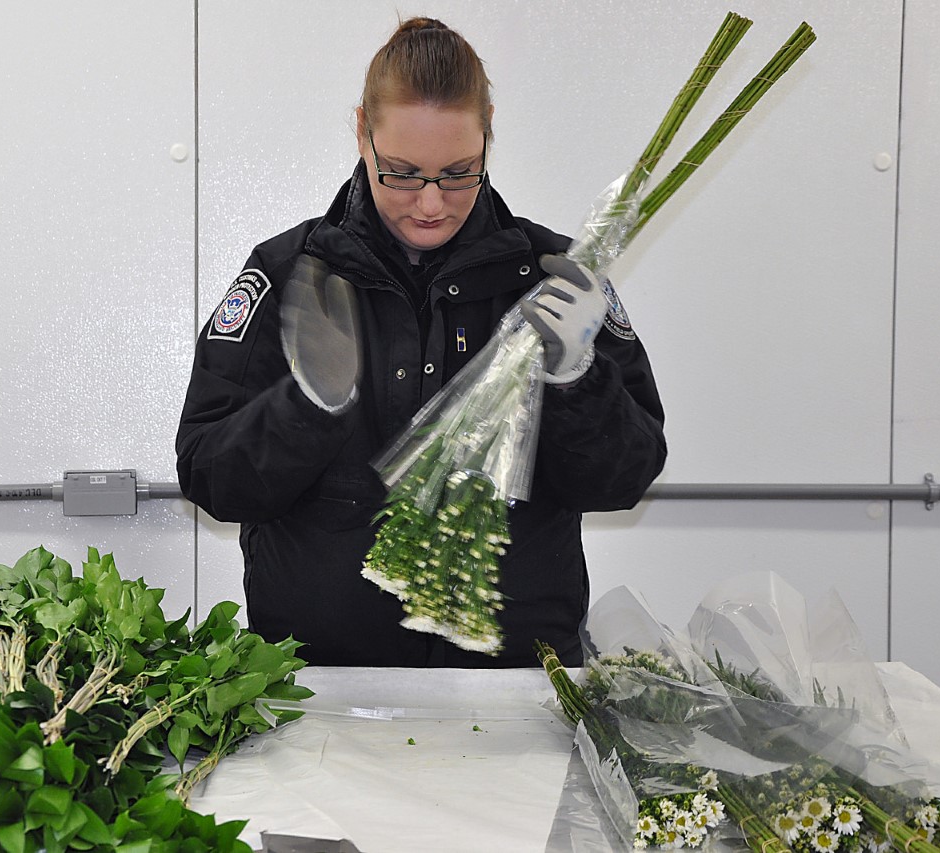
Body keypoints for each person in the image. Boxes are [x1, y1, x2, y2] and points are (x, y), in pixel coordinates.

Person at [176, 17, 666, 668]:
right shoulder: (292, 274)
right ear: (362, 132)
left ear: (489, 128)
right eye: (402, 173)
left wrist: (578, 377)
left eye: (459, 172)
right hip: (320, 694)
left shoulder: (554, 277)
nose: (431, 203)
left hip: (517, 694)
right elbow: (212, 477)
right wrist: (306, 406)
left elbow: (623, 479)